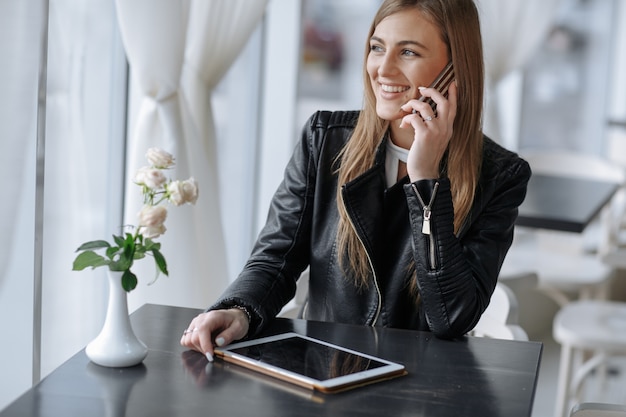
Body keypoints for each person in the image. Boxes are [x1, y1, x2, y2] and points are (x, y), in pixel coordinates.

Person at [181, 0, 531, 361]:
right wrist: (238, 310)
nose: (383, 68)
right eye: (377, 48)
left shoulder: (501, 176)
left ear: (454, 69)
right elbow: (275, 259)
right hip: (323, 373)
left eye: (408, 52)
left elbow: (451, 317)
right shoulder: (325, 139)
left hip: (419, 388)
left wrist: (426, 181)